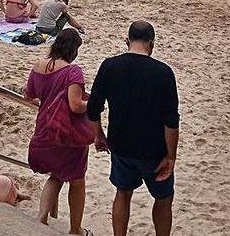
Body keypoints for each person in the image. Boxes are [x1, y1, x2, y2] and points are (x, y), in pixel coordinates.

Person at [88, 21, 180, 236]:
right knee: (164, 198)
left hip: (120, 146)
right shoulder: (163, 73)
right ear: (152, 44)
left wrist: (99, 135)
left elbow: (93, 108)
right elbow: (171, 121)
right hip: (154, 151)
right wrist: (171, 156)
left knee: (123, 193)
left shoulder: (109, 66)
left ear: (127, 41)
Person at [25, 28, 91, 234]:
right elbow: (76, 105)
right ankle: (75, 229)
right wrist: (95, 102)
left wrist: (49, 104)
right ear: (73, 50)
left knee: (56, 175)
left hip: (45, 128)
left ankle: (41, 218)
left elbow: (29, 96)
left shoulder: (38, 66)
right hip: (67, 134)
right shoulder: (73, 71)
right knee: (77, 181)